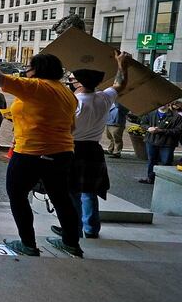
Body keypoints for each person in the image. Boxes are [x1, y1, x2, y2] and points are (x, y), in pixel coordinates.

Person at [0, 44, 83, 258]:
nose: (26, 71)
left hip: (31, 151)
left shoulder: (36, 86)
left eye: (29, 67)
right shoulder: (67, 93)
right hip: (63, 152)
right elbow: (71, 126)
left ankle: (28, 244)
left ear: (37, 70)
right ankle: (71, 243)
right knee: (61, 197)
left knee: (17, 195)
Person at [52, 52, 130, 240]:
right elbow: (120, 84)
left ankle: (74, 227)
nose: (69, 82)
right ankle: (91, 228)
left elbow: (66, 129)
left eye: (71, 79)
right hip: (94, 149)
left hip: (72, 148)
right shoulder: (104, 98)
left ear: (79, 83)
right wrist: (122, 65)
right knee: (89, 191)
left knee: (72, 192)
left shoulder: (75, 103)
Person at [138, 105, 182, 184]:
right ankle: (150, 178)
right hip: (151, 141)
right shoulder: (150, 114)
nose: (163, 104)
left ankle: (165, 181)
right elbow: (143, 123)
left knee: (166, 162)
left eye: (165, 103)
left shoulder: (177, 117)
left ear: (169, 103)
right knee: (152, 160)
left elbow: (179, 131)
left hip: (167, 143)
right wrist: (148, 128)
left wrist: (161, 130)